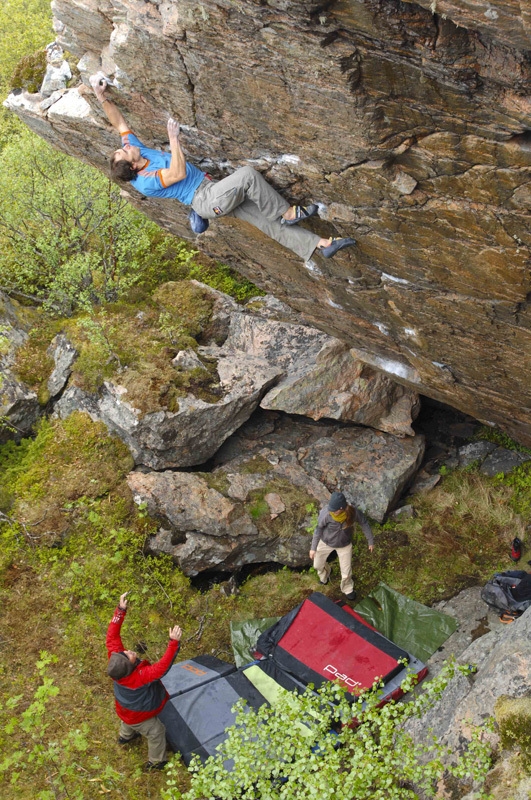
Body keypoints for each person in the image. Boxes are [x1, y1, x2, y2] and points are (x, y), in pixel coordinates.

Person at [91, 77, 356, 261]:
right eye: (124, 150)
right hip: (205, 200)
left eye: (124, 147)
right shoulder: (145, 181)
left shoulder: (135, 152)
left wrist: (101, 97)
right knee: (248, 177)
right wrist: (173, 139)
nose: (125, 145)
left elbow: (120, 124)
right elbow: (178, 174)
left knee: (266, 224)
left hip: (213, 189)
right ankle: (286, 212)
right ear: (133, 164)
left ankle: (322, 245)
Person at [106, 591, 182, 771]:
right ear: (131, 667)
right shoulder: (139, 677)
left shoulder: (116, 659)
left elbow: (112, 636)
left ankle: (126, 736)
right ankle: (157, 761)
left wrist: (120, 610)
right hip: (139, 715)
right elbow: (162, 667)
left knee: (128, 720)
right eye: (130, 655)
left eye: (126, 652)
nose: (130, 651)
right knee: (156, 731)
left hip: (124, 709)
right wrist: (173, 643)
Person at [309, 491, 374, 601]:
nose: (332, 511)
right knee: (317, 565)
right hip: (325, 542)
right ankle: (326, 573)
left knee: (346, 572)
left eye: (335, 510)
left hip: (344, 545)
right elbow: (318, 529)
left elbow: (364, 523)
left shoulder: (353, 512)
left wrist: (370, 541)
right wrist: (313, 548)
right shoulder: (326, 513)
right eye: (331, 509)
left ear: (342, 508)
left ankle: (347, 589)